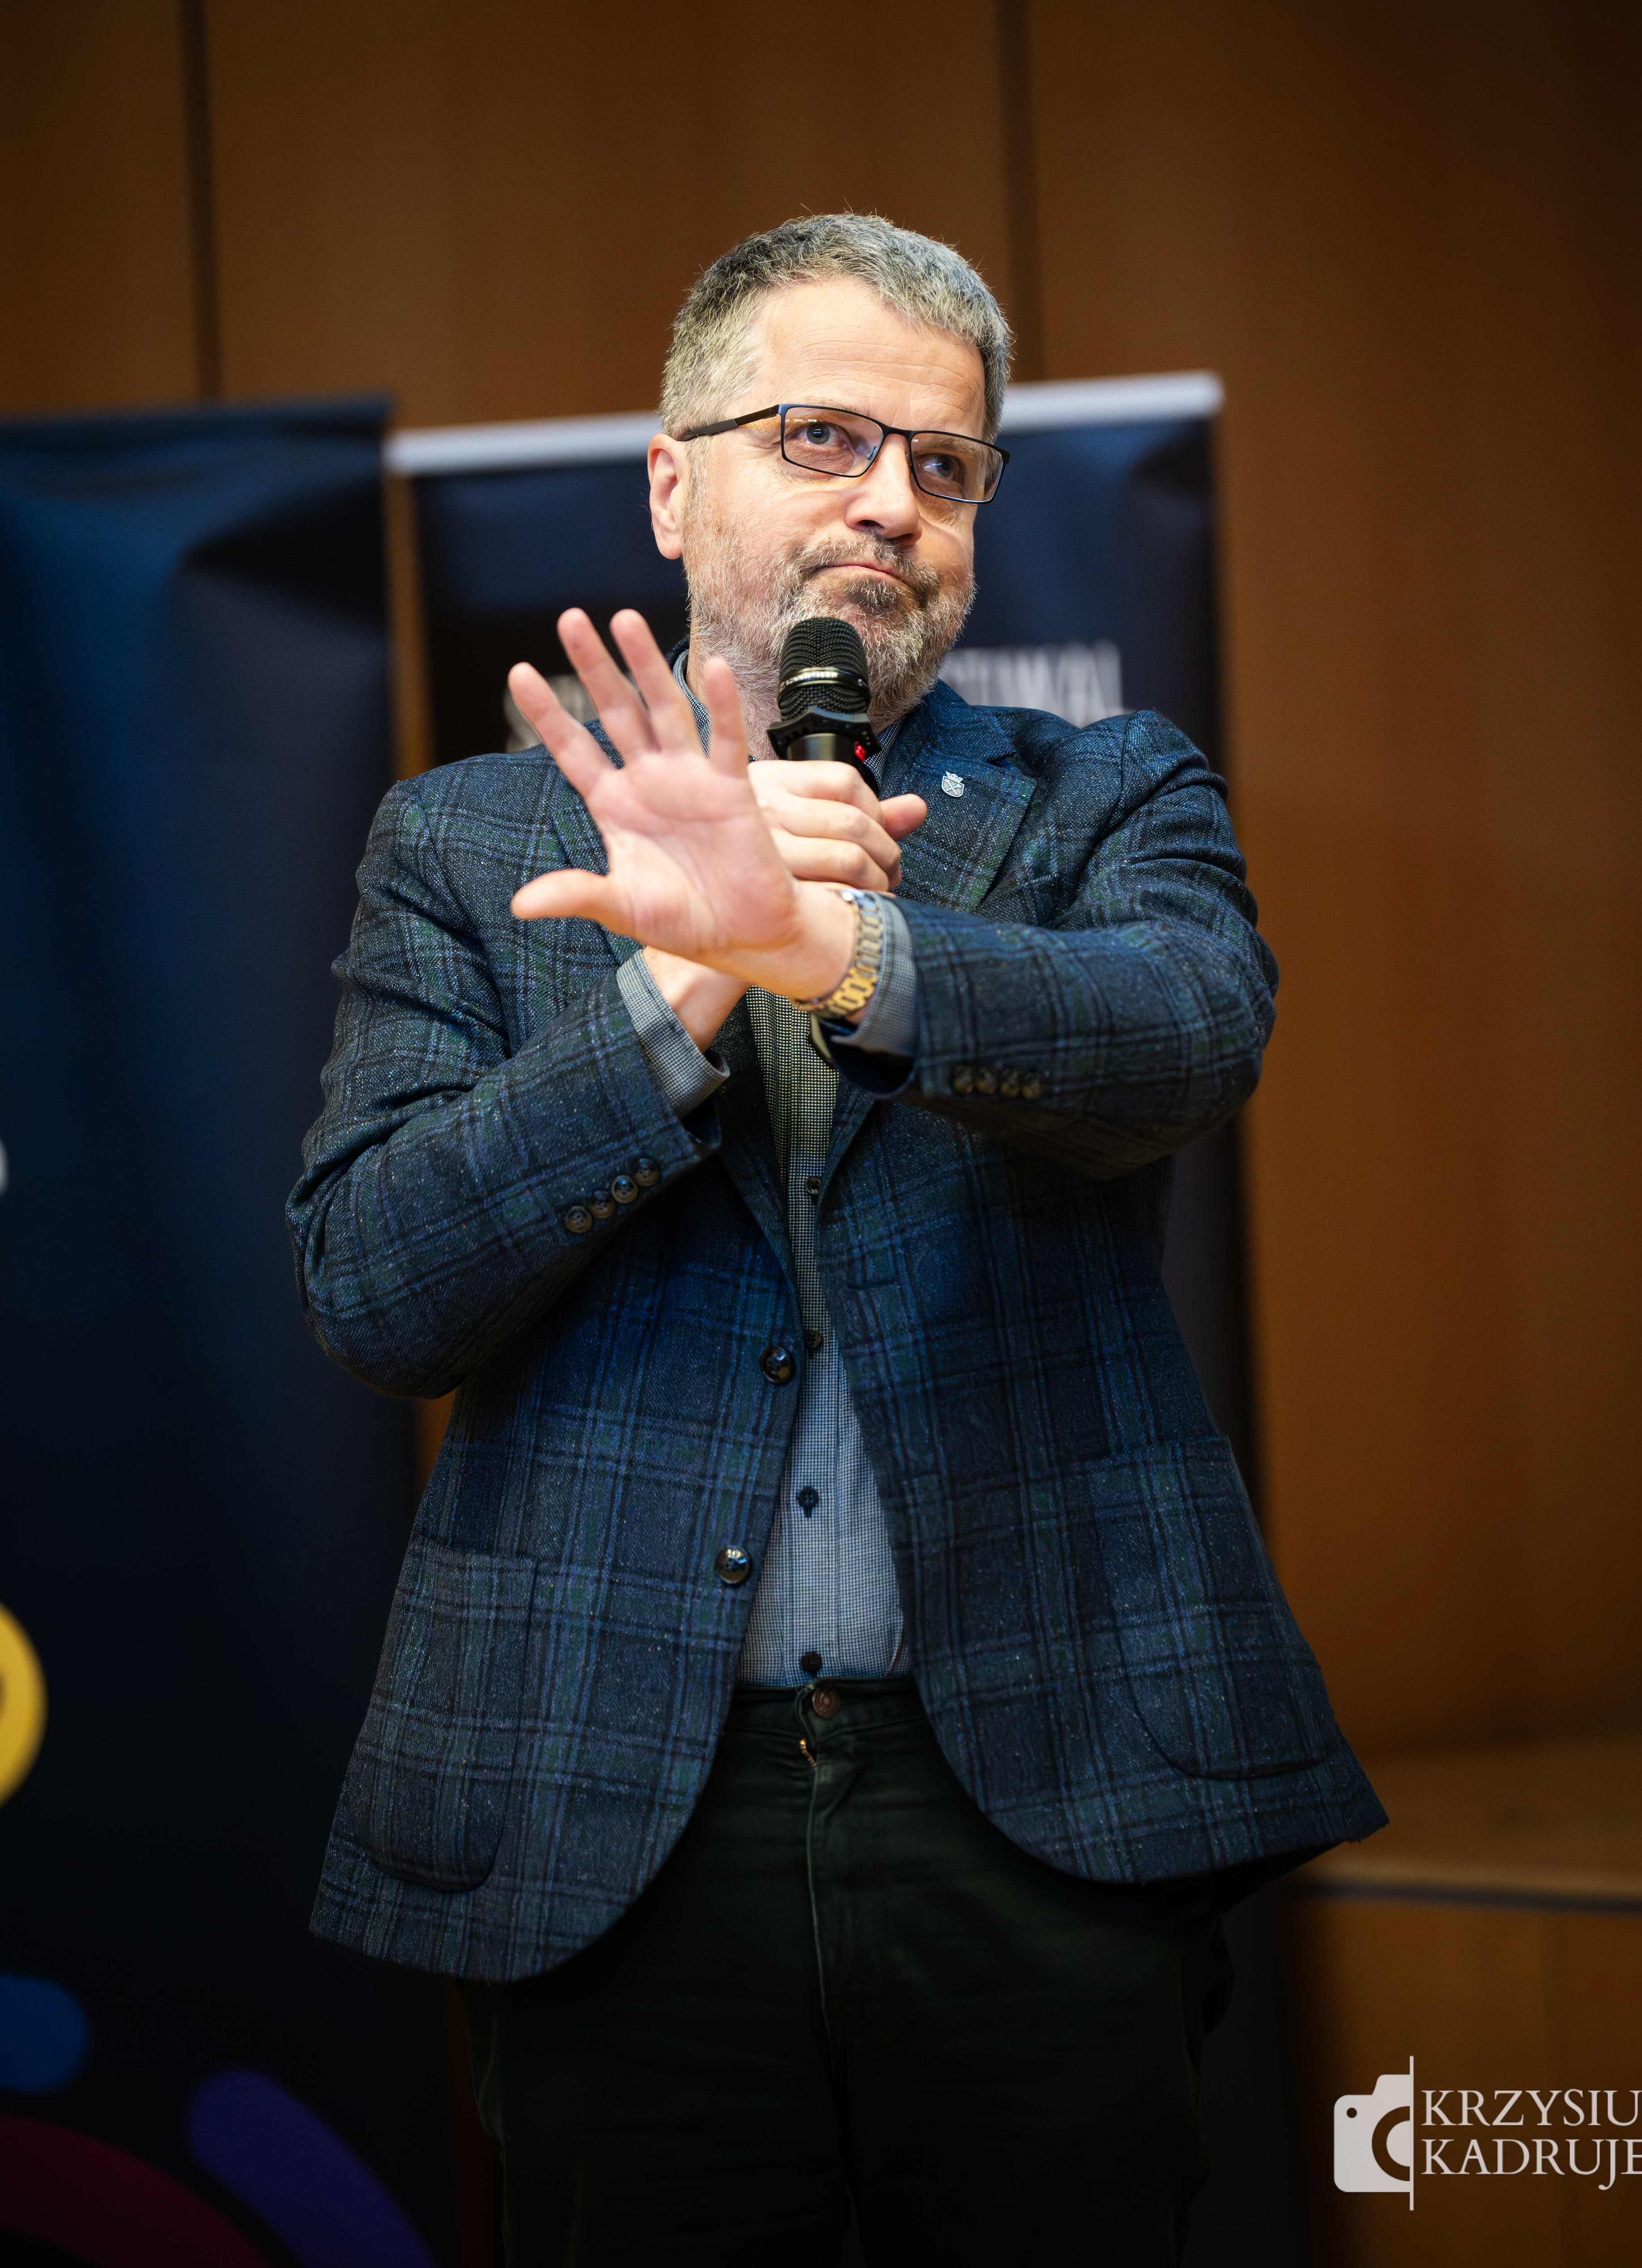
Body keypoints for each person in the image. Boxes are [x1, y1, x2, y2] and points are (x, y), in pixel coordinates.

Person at [290, 213, 1383, 2265]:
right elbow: (380, 1285)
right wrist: (682, 985)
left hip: (1045, 1792)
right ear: (670, 483)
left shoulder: (1102, 791)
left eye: (944, 464)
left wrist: (841, 951)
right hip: (616, 1805)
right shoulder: (465, 841)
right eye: (823, 438)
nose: (893, 501)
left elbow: (1184, 1037)